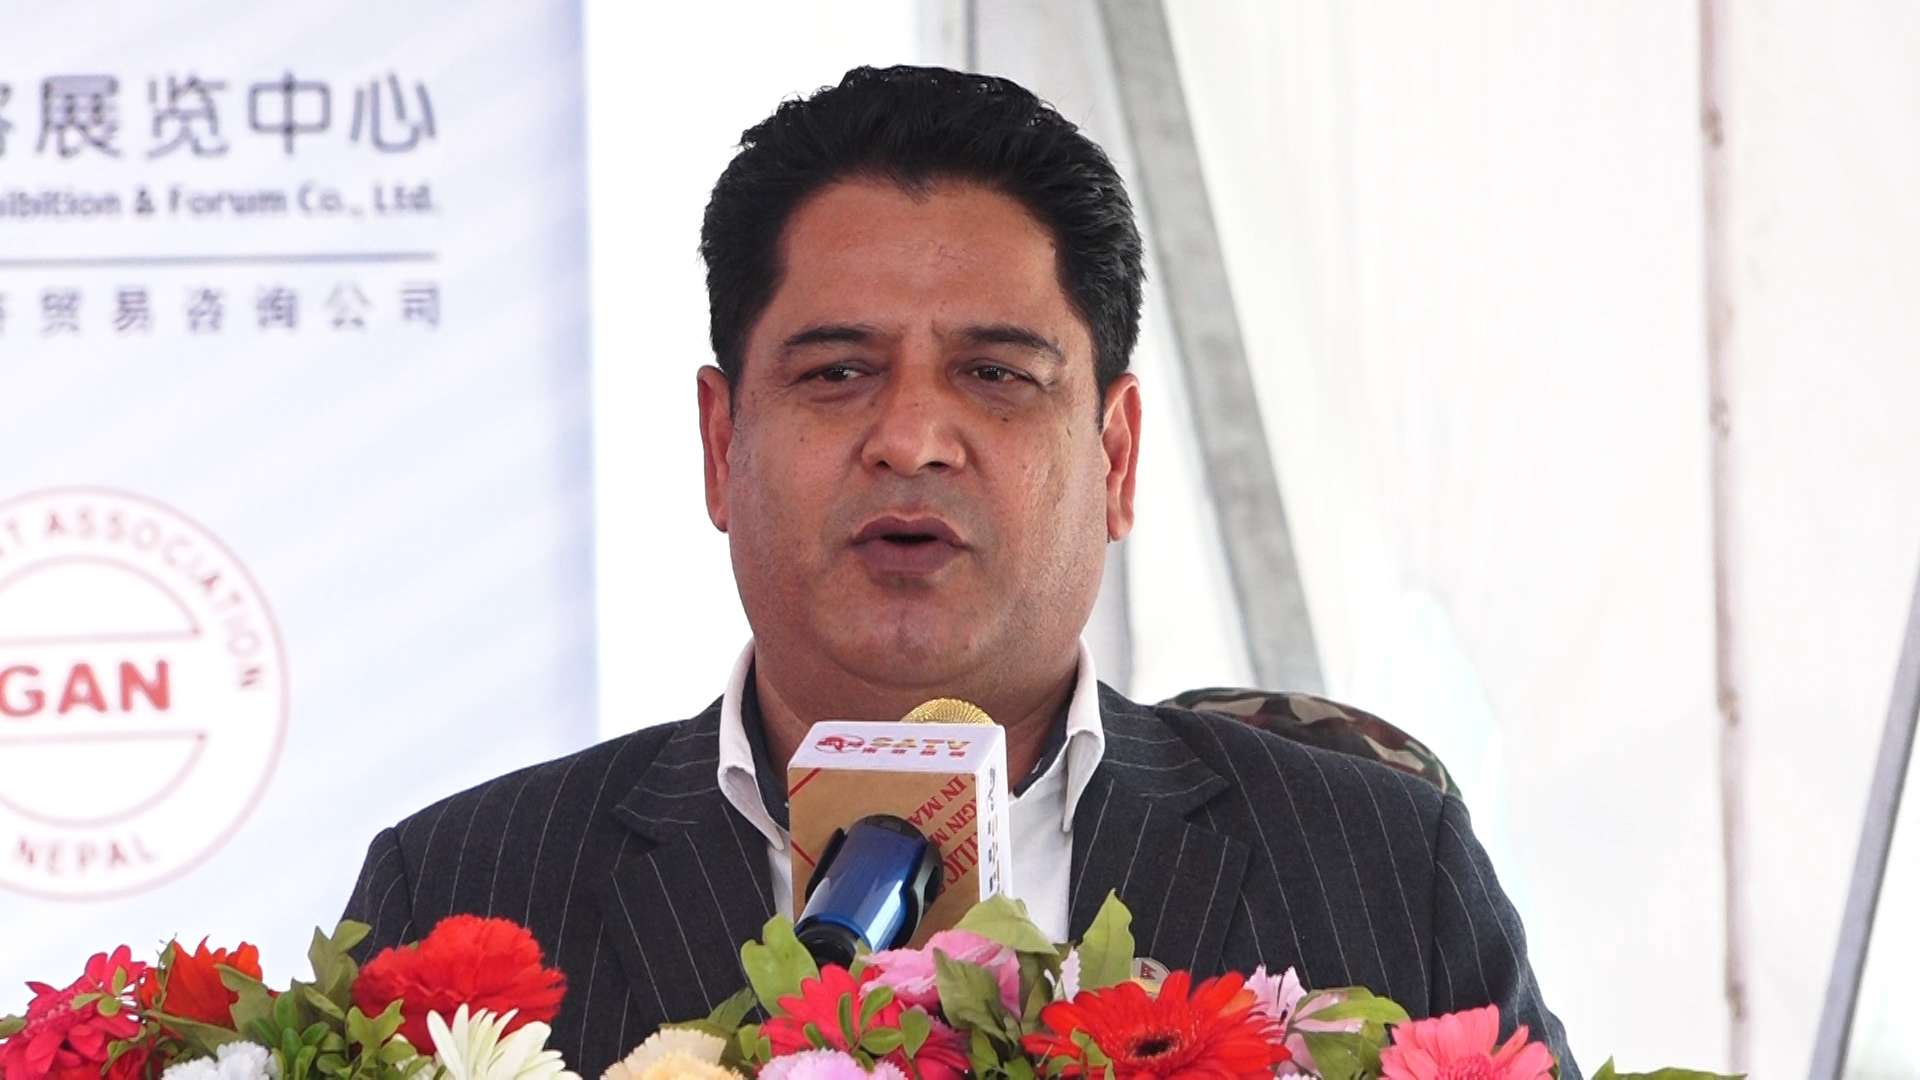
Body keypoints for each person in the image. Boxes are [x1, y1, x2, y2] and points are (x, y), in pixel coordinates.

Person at [342, 65, 1577, 1078]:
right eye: (838, 372)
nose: (914, 438)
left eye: (995, 375)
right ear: (722, 448)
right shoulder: (462, 890)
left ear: (1116, 456)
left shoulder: (1376, 863)